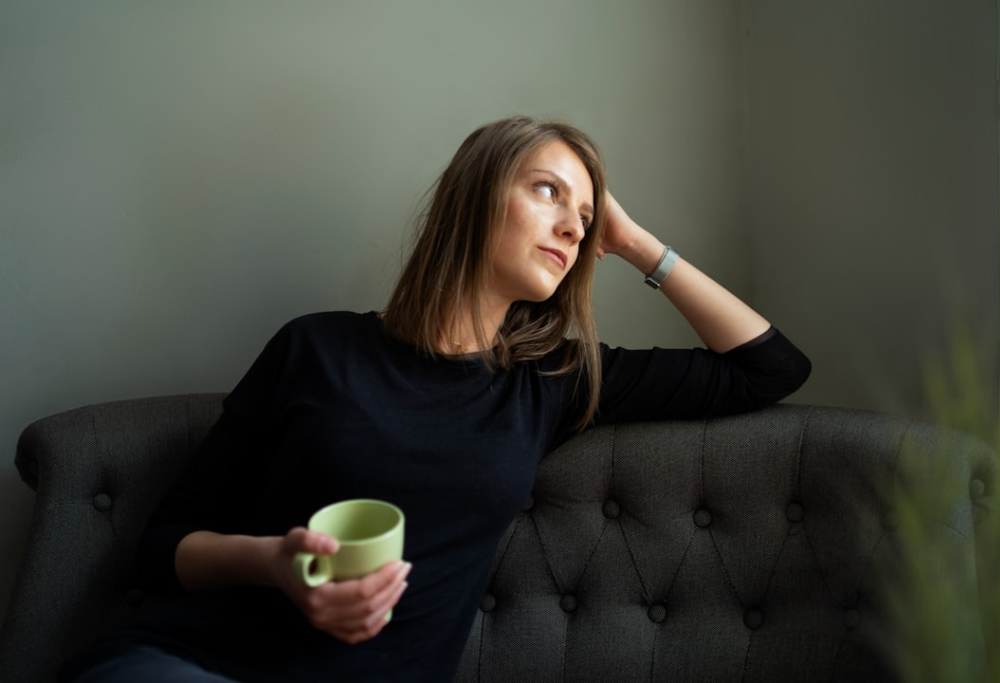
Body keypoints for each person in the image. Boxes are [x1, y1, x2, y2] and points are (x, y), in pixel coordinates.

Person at [60, 116, 811, 682]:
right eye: (548, 190)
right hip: (195, 661)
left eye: (585, 218)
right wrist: (274, 563)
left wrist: (636, 240)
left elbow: (768, 366)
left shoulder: (552, 379)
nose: (572, 225)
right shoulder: (314, 348)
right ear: (476, 193)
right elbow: (162, 548)